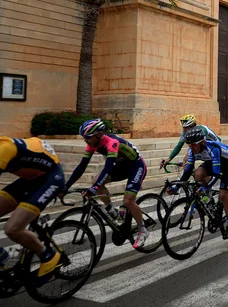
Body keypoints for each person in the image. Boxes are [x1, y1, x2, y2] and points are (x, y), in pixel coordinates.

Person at [63, 119, 149, 249]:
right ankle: (111, 209)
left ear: (98, 134)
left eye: (87, 137)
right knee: (96, 180)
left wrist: (95, 188)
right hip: (120, 167)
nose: (85, 140)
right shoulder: (92, 144)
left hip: (136, 167)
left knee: (128, 201)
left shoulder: (112, 142)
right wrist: (66, 187)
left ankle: (143, 230)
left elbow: (108, 168)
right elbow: (81, 167)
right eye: (84, 138)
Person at [0, 137, 64, 279]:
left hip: (50, 178)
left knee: (12, 229)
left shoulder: (3, 150)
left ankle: (48, 256)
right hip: (28, 179)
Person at [181, 126, 228, 238]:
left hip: (227, 165)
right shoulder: (192, 150)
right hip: (211, 162)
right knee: (197, 174)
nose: (191, 148)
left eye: (193, 145)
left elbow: (216, 174)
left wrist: (206, 187)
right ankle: (208, 197)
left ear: (202, 142)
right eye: (189, 145)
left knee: (223, 195)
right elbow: (188, 171)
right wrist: (176, 186)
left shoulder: (213, 149)